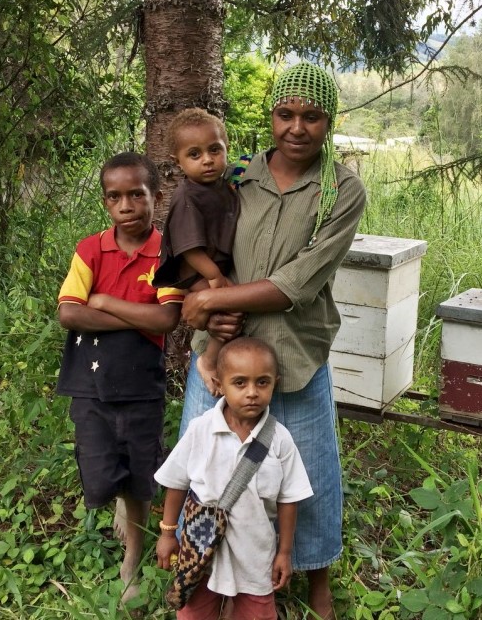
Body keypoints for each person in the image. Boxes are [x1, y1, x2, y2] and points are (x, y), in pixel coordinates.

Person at [178, 61, 367, 619]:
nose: (297, 128)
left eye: (312, 116)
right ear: (270, 115)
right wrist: (208, 308)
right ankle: (206, 574)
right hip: (222, 353)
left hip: (295, 350)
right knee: (207, 466)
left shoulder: (342, 192)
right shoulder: (235, 177)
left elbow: (297, 283)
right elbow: (202, 246)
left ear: (330, 122)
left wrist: (214, 301)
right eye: (286, 114)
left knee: (309, 469)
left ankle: (316, 580)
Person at [56, 152, 184, 604]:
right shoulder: (90, 249)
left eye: (136, 195)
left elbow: (167, 319)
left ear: (157, 197)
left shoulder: (167, 252)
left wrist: (106, 302)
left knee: (140, 467)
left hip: (140, 384)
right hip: (89, 381)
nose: (126, 205)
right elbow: (69, 311)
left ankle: (133, 555)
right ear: (106, 202)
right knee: (99, 460)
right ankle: (118, 507)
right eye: (115, 197)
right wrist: (138, 316)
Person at [155, 336, 313, 620]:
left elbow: (290, 498)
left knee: (256, 613)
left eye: (262, 382)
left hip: (255, 554)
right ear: (219, 382)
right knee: (194, 613)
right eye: (240, 383)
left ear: (275, 382)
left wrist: (284, 552)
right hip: (200, 552)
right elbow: (176, 481)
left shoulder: (279, 440)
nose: (251, 392)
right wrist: (168, 533)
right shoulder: (201, 430)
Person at [152, 108, 239, 395]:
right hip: (195, 270)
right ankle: (208, 360)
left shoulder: (221, 185)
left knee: (227, 306)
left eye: (215, 150)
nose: (207, 160)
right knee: (229, 306)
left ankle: (212, 341)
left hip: (211, 264)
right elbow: (190, 249)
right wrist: (214, 279)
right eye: (195, 154)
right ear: (178, 162)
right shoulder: (188, 195)